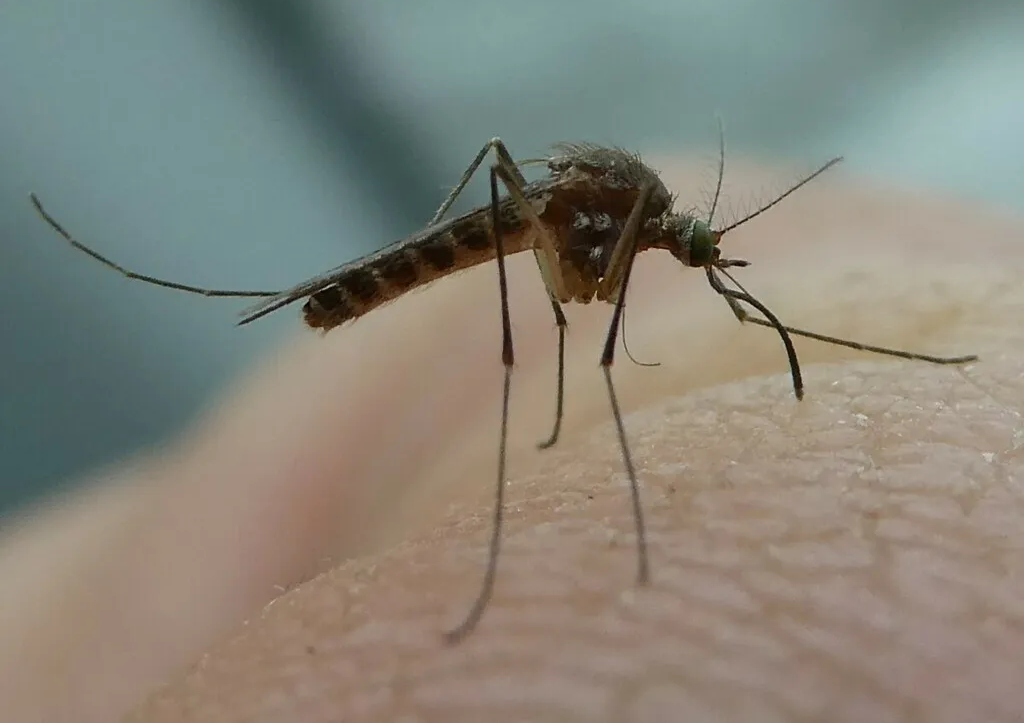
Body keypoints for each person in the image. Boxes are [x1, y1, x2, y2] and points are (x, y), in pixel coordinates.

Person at [3, 157, 1021, 723]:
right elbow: (568, 255)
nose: (707, 261)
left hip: (549, 224)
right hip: (514, 230)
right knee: (539, 292)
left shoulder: (652, 228)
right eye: (702, 253)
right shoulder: (623, 219)